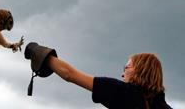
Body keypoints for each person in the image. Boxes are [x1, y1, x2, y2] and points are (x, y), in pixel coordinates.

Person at [24, 42, 172, 109]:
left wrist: (38, 52)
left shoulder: (124, 93)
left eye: (126, 67)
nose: (122, 73)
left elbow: (69, 74)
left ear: (140, 70)